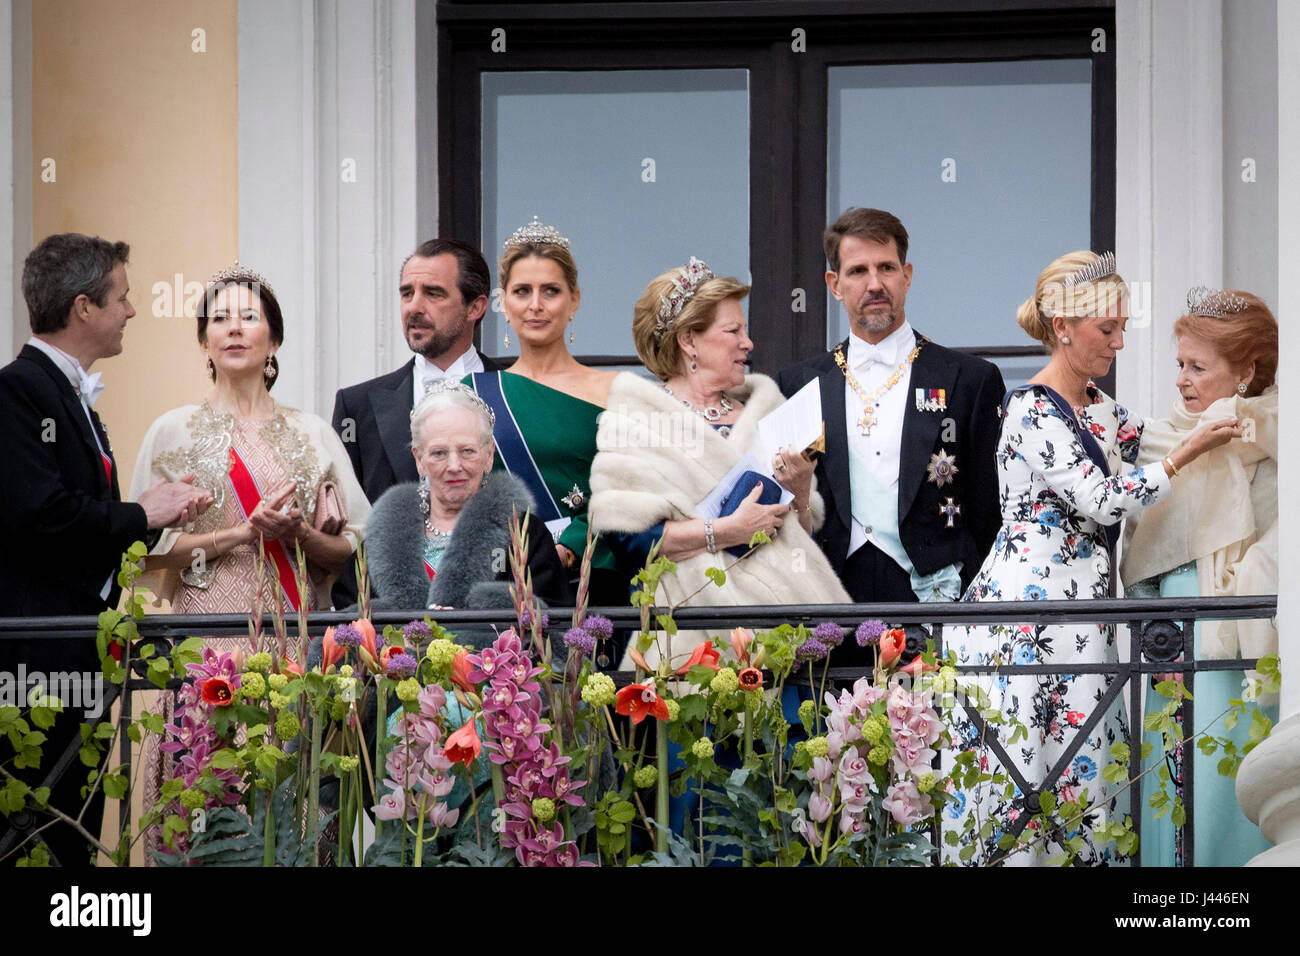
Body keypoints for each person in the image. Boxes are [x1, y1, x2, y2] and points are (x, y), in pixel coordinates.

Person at [945, 252, 1242, 866]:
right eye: (1107, 329)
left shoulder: (1101, 405)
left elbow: (1160, 435)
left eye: (1123, 327)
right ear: (1062, 327)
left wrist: (1243, 399)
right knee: (1027, 768)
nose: (1120, 342)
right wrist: (1184, 454)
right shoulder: (1029, 408)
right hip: (1027, 616)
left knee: (1082, 765)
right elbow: (1103, 499)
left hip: (1085, 611)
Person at [128, 264, 370, 862]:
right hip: (206, 644)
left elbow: (353, 549)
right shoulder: (172, 431)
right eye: (219, 319)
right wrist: (239, 533)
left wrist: (302, 536)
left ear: (275, 340)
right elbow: (140, 553)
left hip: (294, 648)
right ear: (204, 340)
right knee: (205, 811)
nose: (234, 329)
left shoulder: (314, 434)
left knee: (291, 823)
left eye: (250, 317)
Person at [0, 233, 211, 867]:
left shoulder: (69, 393)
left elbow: (79, 521)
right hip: (35, 658)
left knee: (71, 823)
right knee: (31, 828)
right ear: (84, 306)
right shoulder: (17, 391)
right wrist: (142, 511)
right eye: (122, 297)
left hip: (76, 647)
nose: (132, 311)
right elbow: (40, 515)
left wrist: (153, 516)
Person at [590, 258, 851, 673]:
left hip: (778, 647)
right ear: (689, 340)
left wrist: (800, 489)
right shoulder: (635, 422)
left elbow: (797, 538)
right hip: (688, 645)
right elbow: (631, 543)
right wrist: (729, 531)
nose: (748, 344)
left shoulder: (769, 412)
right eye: (733, 331)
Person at [778, 208, 1005, 669]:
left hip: (932, 597)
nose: (874, 283)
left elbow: (989, 510)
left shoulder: (970, 379)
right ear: (834, 284)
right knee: (831, 739)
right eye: (858, 271)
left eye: (886, 268)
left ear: (907, 276)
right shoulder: (797, 385)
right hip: (832, 597)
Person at [1121, 287, 1278, 867]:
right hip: (1170, 635)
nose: (1183, 380)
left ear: (1246, 372)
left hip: (1236, 639)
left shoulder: (1276, 440)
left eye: (1198, 367)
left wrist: (1236, 582)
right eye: (1179, 365)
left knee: (1224, 779)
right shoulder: (1166, 442)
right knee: (1173, 785)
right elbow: (1137, 556)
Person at [331, 239, 508, 608]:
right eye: (407, 293)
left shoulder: (516, 393)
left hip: (498, 630)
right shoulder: (356, 406)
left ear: (476, 306)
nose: (414, 307)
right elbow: (350, 529)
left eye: (433, 294)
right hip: (387, 634)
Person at [466, 217, 623, 611]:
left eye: (550, 291)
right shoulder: (472, 395)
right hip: (499, 589)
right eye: (522, 291)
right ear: (504, 303)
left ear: (575, 300)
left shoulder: (615, 391)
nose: (535, 304)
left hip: (595, 586)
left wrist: (566, 548)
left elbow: (630, 494)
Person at [363, 381, 571, 633]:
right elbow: (347, 635)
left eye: (467, 451)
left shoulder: (525, 534)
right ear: (419, 459)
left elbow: (555, 635)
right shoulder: (384, 536)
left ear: (489, 455)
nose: (454, 465)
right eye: (439, 453)